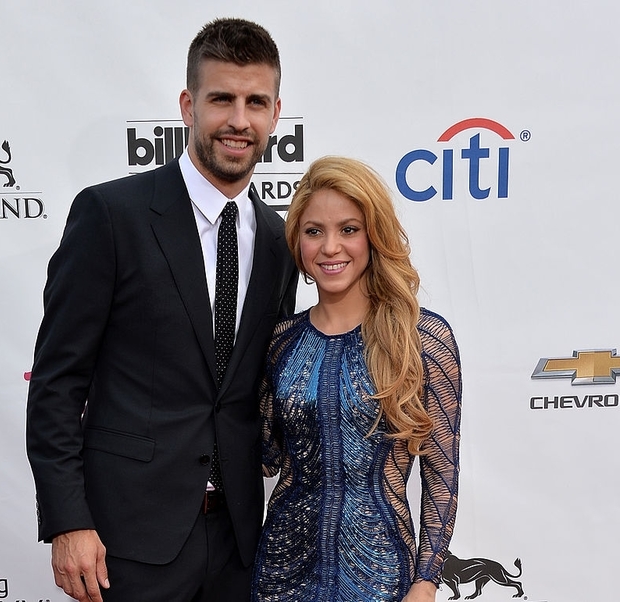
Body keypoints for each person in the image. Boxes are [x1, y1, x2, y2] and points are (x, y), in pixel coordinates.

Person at [26, 18, 298, 602]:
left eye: (256, 102)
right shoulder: (111, 215)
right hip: (129, 540)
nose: (239, 120)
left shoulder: (282, 241)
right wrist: (68, 520)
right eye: (221, 98)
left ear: (277, 114)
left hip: (241, 542)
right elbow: (56, 381)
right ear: (188, 105)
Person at [252, 156, 462, 602]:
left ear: (373, 236)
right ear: (297, 243)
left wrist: (426, 580)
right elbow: (266, 458)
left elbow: (442, 471)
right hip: (282, 571)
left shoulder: (422, 338)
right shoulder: (280, 341)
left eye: (348, 229)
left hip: (382, 575)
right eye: (314, 231)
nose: (331, 247)